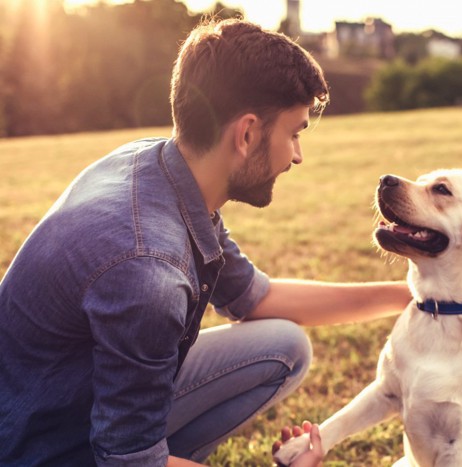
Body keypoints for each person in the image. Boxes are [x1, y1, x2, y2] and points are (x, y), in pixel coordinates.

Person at [0, 19, 410, 467]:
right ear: (247, 134)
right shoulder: (148, 271)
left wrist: (410, 296)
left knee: (284, 346)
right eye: (294, 133)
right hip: (34, 448)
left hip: (58, 397)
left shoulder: (160, 166)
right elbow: (130, 462)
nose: (297, 156)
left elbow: (257, 297)